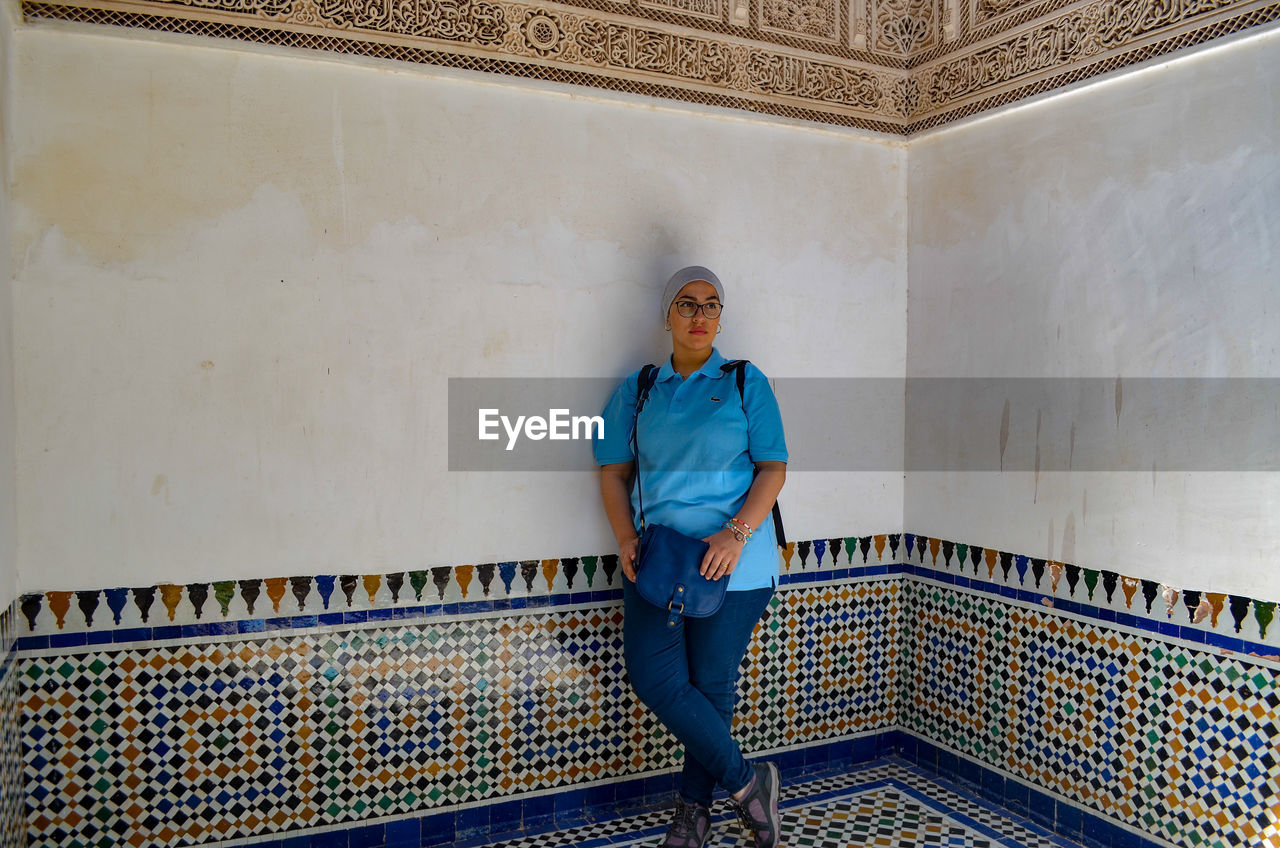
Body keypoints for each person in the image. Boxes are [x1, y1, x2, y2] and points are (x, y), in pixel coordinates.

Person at [594, 266, 788, 848]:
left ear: (721, 317)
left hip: (736, 565)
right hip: (656, 564)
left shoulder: (744, 381)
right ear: (668, 315)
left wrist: (735, 534)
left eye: (710, 305)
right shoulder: (639, 388)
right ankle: (749, 781)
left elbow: (773, 468)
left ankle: (693, 813)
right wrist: (626, 537)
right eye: (686, 304)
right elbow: (612, 472)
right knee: (654, 677)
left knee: (710, 684)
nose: (699, 316)